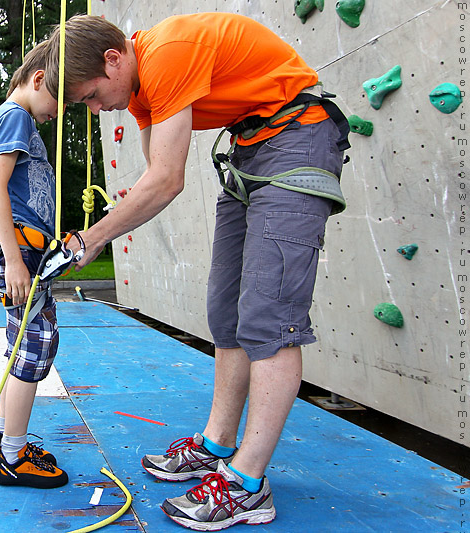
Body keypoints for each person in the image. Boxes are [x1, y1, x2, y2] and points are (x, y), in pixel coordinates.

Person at [45, 13, 349, 530]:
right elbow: (153, 179)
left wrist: (88, 240)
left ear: (113, 59)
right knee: (224, 308)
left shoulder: (168, 54)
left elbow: (167, 180)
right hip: (250, 148)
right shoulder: (139, 91)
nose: (95, 108)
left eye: (91, 95)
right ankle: (217, 445)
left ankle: (248, 484)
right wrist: (91, 235)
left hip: (298, 136)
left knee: (270, 317)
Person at [0, 40, 68, 489]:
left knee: (26, 344)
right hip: (20, 251)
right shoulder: (16, 116)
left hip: (30, 249)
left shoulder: (18, 118)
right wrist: (15, 261)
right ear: (38, 80)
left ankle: (4, 441)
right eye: (58, 101)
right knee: (34, 345)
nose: (58, 113)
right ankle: (13, 458)